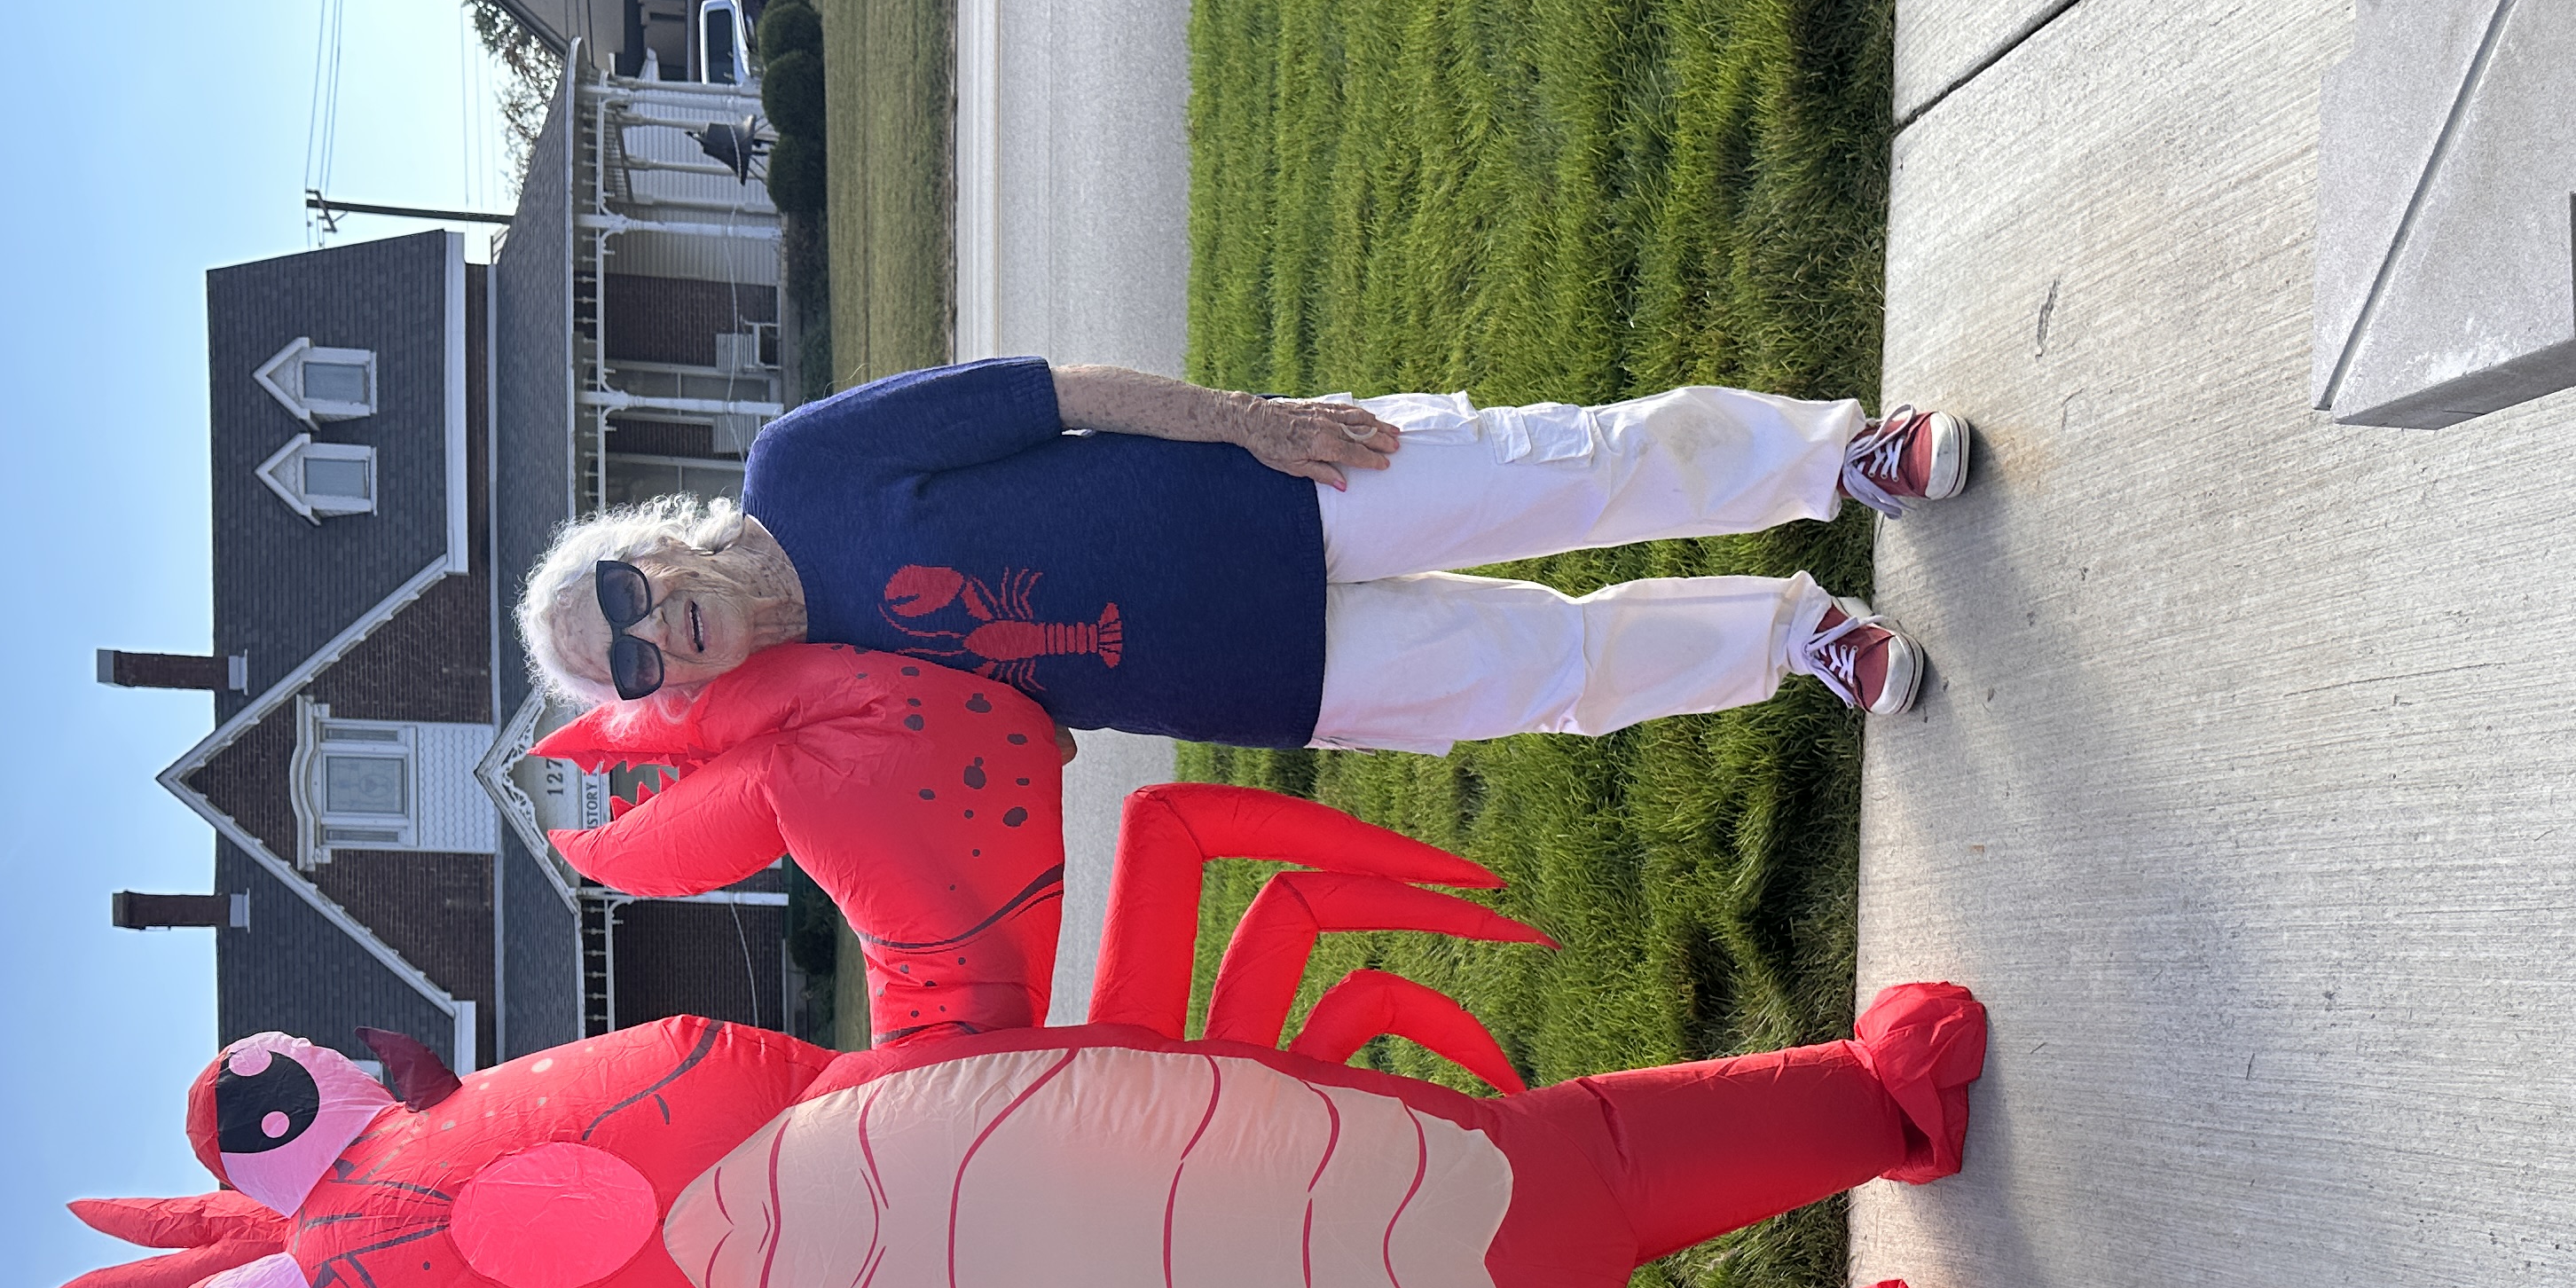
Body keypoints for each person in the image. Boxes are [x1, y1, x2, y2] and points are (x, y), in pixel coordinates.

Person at [514, 359, 1975, 742]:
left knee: (1569, 470)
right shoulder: (808, 706)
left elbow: (1056, 398)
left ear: (650, 543)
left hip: (1274, 493)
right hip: (1263, 675)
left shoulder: (805, 462)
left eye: (626, 598)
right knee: (1556, 676)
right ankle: (1796, 638)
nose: (655, 636)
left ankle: (1832, 457)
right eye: (628, 666)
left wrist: (1249, 420)